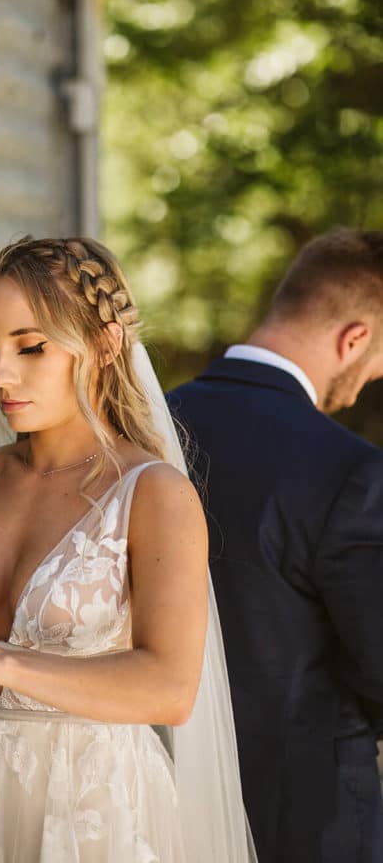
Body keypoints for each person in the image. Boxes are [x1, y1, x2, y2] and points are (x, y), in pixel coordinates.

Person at [0, 236, 254, 863]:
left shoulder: (152, 494)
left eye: (31, 347)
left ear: (104, 344)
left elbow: (170, 690)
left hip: (95, 811)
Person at [168, 228, 383, 863]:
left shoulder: (148, 428)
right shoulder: (348, 471)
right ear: (355, 338)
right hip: (310, 816)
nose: (372, 378)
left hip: (155, 795)